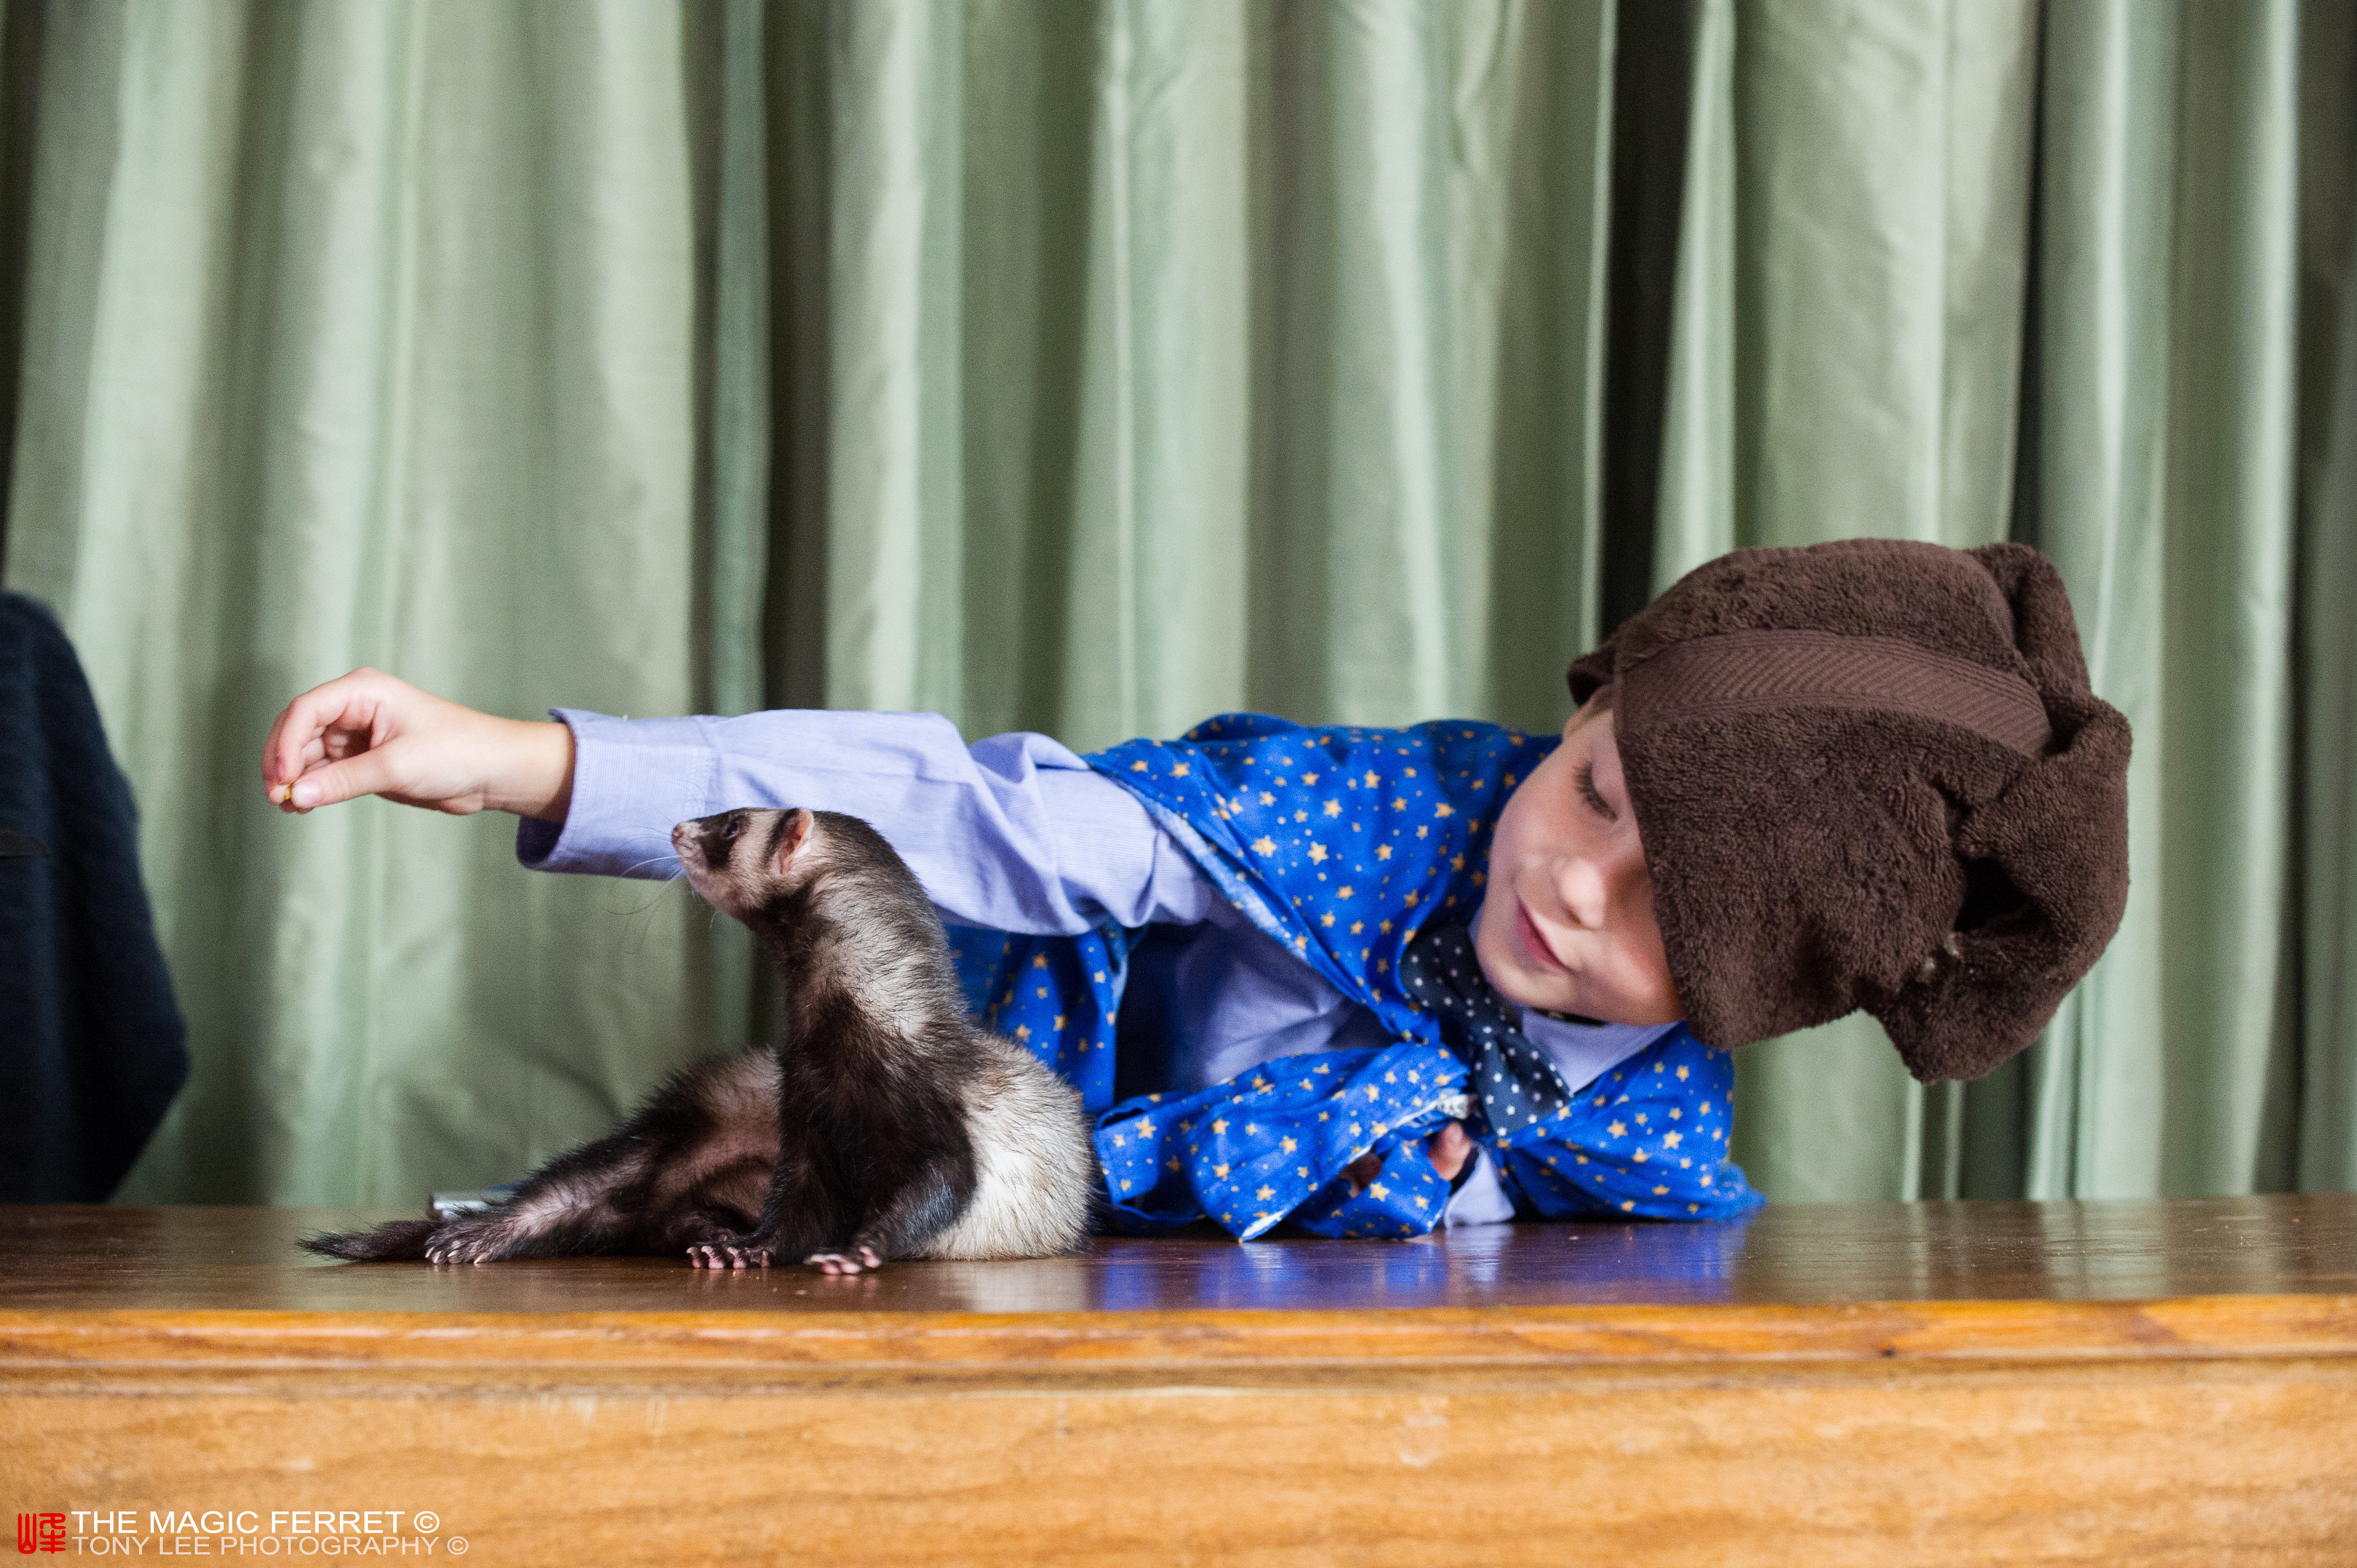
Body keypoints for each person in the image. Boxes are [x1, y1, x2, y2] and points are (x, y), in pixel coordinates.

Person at [259, 538, 2131, 1238]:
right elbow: (960, 811)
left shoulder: (1660, 1140)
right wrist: (523, 757)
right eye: (1597, 793)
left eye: (1665, 928)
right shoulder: (1347, 823)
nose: (1574, 888)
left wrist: (1462, 1207)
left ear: (1746, 1002)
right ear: (1591, 706)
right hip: (953, 1197)